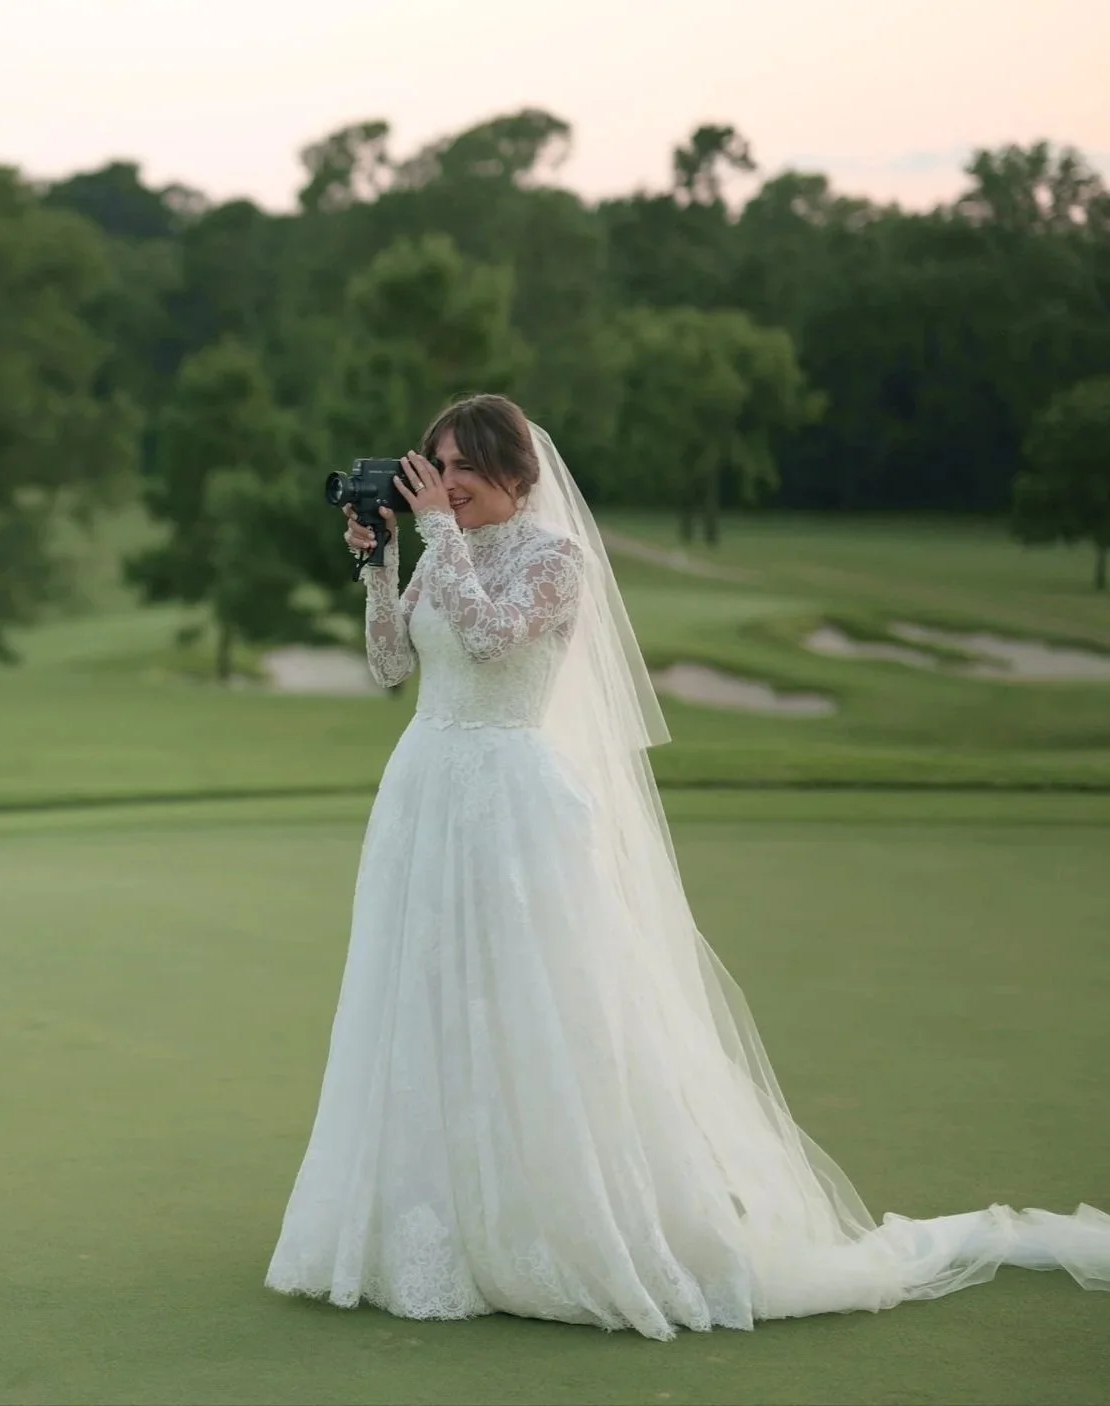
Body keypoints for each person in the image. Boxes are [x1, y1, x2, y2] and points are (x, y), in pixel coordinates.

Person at [265, 393, 1110, 1339]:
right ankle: (438, 1224)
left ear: (516, 477)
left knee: (535, 1004)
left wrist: (432, 535)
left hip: (512, 800)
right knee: (422, 997)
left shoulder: (555, 559)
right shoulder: (435, 551)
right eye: (437, 464)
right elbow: (389, 666)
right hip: (425, 794)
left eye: (465, 467)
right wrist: (381, 566)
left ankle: (559, 1220)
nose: (447, 483)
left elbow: (497, 636)